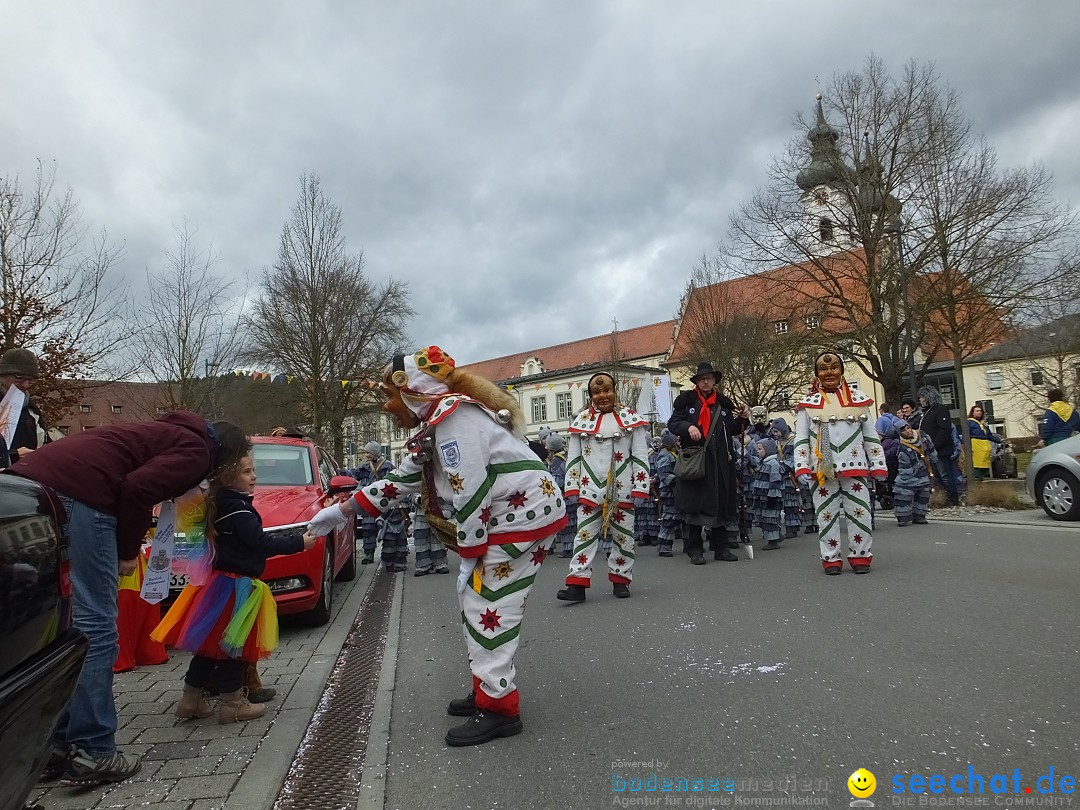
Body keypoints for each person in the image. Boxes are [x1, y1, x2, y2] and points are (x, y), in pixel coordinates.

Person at [305, 346, 566, 746]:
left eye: (389, 397)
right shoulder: (442, 420)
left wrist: (471, 552)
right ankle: (487, 686)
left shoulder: (452, 421)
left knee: (488, 606)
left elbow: (471, 493)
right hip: (522, 515)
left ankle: (499, 708)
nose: (388, 407)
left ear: (411, 391)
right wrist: (339, 513)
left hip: (518, 520)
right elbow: (401, 480)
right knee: (479, 604)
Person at [7, 412, 249, 785]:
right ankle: (95, 751)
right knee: (97, 627)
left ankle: (54, 747)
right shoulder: (199, 450)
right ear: (227, 455)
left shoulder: (165, 433)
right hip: (80, 497)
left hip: (29, 487)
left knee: (66, 625)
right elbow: (138, 489)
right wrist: (127, 550)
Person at [153, 453, 315, 723]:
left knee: (208, 649)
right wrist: (299, 542)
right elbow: (260, 542)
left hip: (219, 584)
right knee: (233, 648)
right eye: (247, 472)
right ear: (228, 477)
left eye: (253, 471)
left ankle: (190, 699)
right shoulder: (238, 509)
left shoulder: (219, 504)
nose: (254, 477)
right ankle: (232, 703)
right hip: (237, 587)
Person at [557, 371, 650, 602]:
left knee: (624, 538)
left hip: (623, 490)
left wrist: (641, 486)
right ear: (591, 395)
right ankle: (577, 584)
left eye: (607, 390)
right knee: (584, 537)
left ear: (615, 391)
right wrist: (571, 486)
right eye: (597, 392)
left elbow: (639, 455)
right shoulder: (581, 421)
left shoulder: (631, 419)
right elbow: (574, 457)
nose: (602, 395)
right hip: (589, 492)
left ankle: (620, 580)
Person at [793, 352, 887, 575]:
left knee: (861, 513)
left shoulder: (859, 400)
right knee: (826, 516)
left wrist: (878, 464)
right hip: (822, 470)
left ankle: (860, 555)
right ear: (817, 374)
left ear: (842, 371)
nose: (829, 373)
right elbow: (802, 437)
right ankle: (831, 558)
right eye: (823, 369)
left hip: (855, 469)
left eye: (834, 368)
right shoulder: (808, 405)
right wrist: (801, 465)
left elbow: (871, 435)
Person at [667, 362, 749, 565]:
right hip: (696, 461)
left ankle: (721, 548)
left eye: (709, 378)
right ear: (697, 381)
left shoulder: (722, 405)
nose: (706, 381)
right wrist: (688, 427)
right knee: (695, 506)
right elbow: (673, 423)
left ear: (714, 381)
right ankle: (695, 550)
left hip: (720, 463)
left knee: (719, 504)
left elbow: (732, 429)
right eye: (702, 379)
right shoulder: (686, 402)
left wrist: (742, 419)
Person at [0, 348, 51, 467]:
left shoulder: (32, 411)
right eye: (19, 377)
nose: (25, 385)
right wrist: (12, 456)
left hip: (26, 480)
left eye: (31, 380)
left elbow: (44, 444)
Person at [354, 441, 395, 566]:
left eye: (368, 452)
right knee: (368, 529)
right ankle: (369, 554)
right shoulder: (365, 467)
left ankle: (389, 555)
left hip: (384, 502)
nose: (367, 455)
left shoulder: (387, 466)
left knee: (388, 531)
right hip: (370, 501)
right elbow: (354, 474)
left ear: (375, 452)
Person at [918, 387, 959, 506]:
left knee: (945, 475)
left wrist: (934, 445)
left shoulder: (940, 410)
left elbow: (944, 430)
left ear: (928, 397)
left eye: (922, 397)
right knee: (936, 476)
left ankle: (952, 500)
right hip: (931, 451)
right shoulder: (926, 412)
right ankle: (942, 498)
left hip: (940, 450)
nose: (920, 400)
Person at [893, 419, 936, 527]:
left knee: (923, 496)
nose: (907, 431)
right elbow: (904, 466)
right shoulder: (901, 447)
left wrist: (933, 461)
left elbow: (931, 451)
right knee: (903, 496)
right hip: (908, 476)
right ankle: (903, 517)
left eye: (908, 428)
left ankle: (920, 516)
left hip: (923, 473)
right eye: (903, 430)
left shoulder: (923, 437)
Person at [544, 433, 577, 558]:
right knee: (573, 522)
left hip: (564, 495)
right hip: (571, 493)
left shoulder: (557, 460)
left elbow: (558, 481)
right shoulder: (566, 455)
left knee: (566, 524)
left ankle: (568, 549)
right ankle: (572, 547)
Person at [769, 418, 803, 539]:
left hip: (791, 474)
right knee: (783, 501)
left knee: (791, 502)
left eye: (777, 431)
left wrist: (787, 465)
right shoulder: (776, 442)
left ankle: (792, 528)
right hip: (780, 473)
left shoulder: (793, 441)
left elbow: (797, 456)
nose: (775, 434)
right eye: (773, 431)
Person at [750, 437, 785, 550]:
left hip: (769, 496)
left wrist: (772, 496)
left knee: (770, 518)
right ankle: (776, 535)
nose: (758, 451)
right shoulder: (763, 462)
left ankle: (773, 541)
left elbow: (775, 481)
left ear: (768, 449)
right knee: (762, 518)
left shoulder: (773, 464)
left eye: (760, 449)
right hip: (761, 496)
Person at [654, 430, 681, 557]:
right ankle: (664, 546)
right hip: (669, 491)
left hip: (680, 490)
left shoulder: (675, 453)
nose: (677, 442)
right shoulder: (664, 455)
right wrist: (676, 481)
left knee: (683, 519)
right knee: (669, 519)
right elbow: (664, 474)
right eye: (675, 440)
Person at [410, 492, 450, 576]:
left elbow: (446, 495)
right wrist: (418, 499)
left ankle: (440, 564)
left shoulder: (440, 480)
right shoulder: (417, 480)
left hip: (437, 512)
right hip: (422, 514)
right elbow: (412, 493)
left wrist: (447, 511)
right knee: (422, 540)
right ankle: (423, 566)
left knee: (437, 539)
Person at [967, 404, 1001, 479]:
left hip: (985, 445)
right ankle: (977, 476)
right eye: (977, 411)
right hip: (976, 444)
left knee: (985, 461)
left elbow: (989, 435)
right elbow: (966, 435)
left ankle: (983, 476)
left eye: (980, 411)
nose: (979, 412)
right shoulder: (970, 422)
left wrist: (999, 440)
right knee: (977, 462)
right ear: (972, 413)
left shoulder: (983, 424)